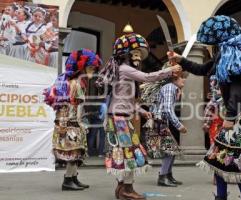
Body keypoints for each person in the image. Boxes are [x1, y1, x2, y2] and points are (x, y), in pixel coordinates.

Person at [168, 15, 241, 200]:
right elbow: (202, 69)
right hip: (240, 115)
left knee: (237, 160)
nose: (212, 47)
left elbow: (237, 88)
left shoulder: (236, 57)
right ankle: (223, 196)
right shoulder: (222, 56)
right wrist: (181, 60)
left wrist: (230, 116)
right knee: (220, 158)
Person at [96, 32, 181, 200]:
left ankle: (122, 188)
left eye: (139, 55)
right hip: (119, 119)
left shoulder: (123, 70)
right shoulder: (125, 69)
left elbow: (127, 100)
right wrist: (169, 70)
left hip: (119, 117)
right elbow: (148, 77)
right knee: (131, 153)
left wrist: (142, 111)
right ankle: (127, 189)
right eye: (135, 54)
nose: (138, 58)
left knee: (125, 153)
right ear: (125, 54)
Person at [44, 49, 102, 191]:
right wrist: (79, 123)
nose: (92, 71)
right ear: (80, 67)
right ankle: (68, 180)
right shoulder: (76, 83)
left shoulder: (70, 81)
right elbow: (75, 106)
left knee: (76, 152)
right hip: (71, 123)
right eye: (90, 67)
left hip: (67, 122)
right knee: (73, 152)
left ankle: (73, 177)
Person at [142, 63, 187, 187]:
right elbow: (167, 109)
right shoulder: (170, 87)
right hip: (159, 121)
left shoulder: (171, 87)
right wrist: (178, 125)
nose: (184, 80)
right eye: (183, 77)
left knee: (171, 149)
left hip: (159, 121)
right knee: (170, 150)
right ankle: (163, 177)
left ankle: (167, 175)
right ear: (175, 78)